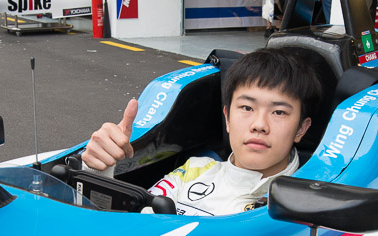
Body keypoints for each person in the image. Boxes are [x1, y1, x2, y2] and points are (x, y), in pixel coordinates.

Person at [82, 48, 321, 216]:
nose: (259, 125)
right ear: (227, 118)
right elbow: (134, 223)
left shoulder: (312, 204)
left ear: (301, 128)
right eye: (247, 108)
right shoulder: (194, 170)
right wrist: (99, 171)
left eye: (278, 112)